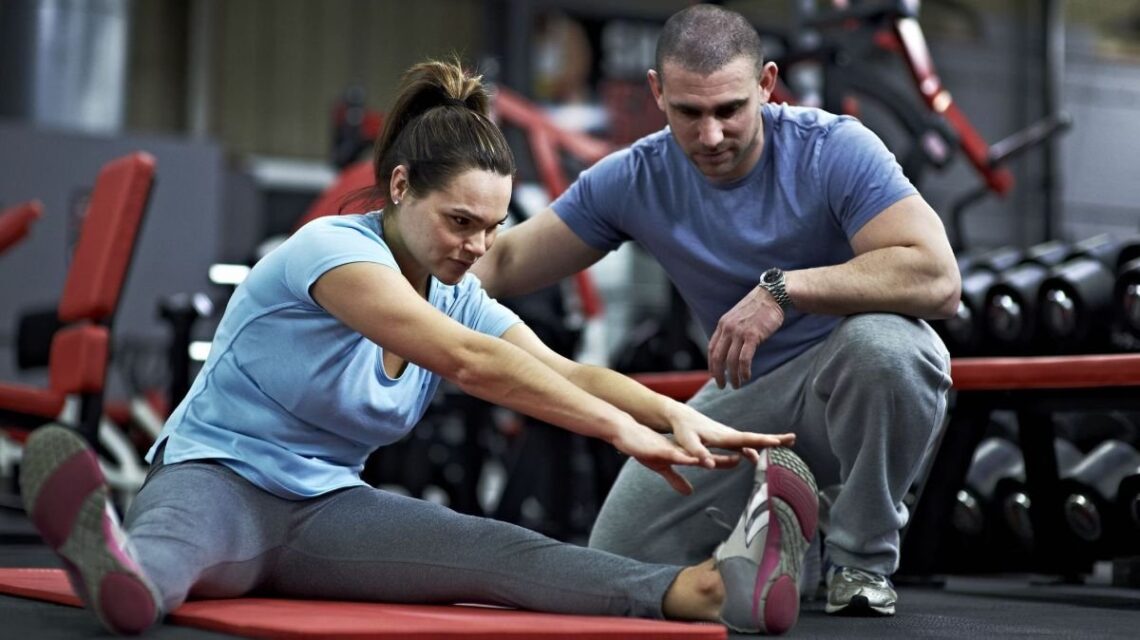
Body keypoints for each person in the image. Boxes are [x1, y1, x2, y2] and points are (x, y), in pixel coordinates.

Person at [19, 58, 819, 637]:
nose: (477, 247)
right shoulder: (331, 250)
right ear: (400, 187)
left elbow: (562, 370)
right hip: (214, 480)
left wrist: (677, 416)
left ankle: (716, 589)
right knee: (162, 562)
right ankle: (120, 572)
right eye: (459, 222)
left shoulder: (455, 288)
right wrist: (618, 431)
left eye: (492, 229)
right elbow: (471, 363)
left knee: (502, 552)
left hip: (329, 511)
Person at [472, 4, 959, 617]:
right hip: (750, 396)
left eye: (729, 110)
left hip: (849, 383)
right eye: (689, 113)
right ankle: (799, 533)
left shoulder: (834, 149)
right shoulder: (636, 177)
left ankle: (860, 561)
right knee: (624, 557)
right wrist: (386, 278)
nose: (710, 136)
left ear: (766, 83)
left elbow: (938, 276)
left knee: (889, 348)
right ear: (657, 92)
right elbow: (506, 260)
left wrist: (783, 290)